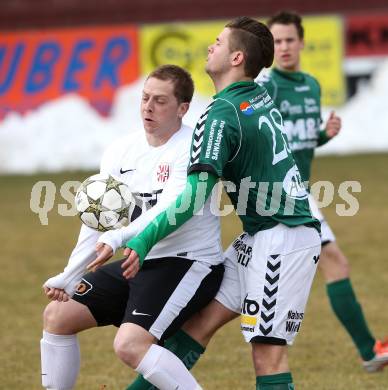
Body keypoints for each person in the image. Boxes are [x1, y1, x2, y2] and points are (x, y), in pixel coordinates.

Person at [93, 16, 322, 389]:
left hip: (283, 238)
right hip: (260, 235)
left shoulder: (221, 114)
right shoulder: (255, 96)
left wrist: (143, 238)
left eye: (218, 42)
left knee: (267, 352)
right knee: (198, 324)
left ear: (236, 58)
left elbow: (196, 194)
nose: (210, 47)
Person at [40, 64, 225, 390]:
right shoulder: (121, 150)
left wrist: (120, 237)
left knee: (129, 345)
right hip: (137, 263)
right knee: (57, 316)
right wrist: (69, 275)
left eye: (160, 101)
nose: (148, 107)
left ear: (183, 108)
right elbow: (98, 221)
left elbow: (169, 207)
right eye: (144, 98)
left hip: (188, 263)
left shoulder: (191, 148)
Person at [259, 11, 388, 373]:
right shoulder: (265, 87)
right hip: (280, 195)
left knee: (248, 288)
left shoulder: (311, 86)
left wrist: (323, 135)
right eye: (276, 41)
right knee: (335, 262)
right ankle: (368, 350)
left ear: (301, 43)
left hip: (300, 192)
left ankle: (368, 350)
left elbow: (298, 141)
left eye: (288, 40)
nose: (283, 47)